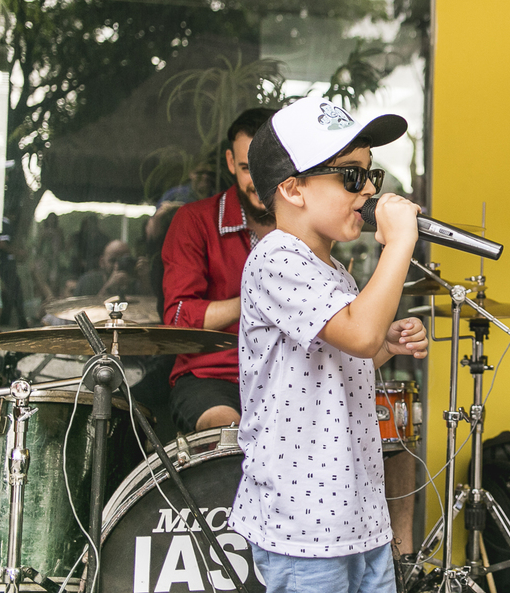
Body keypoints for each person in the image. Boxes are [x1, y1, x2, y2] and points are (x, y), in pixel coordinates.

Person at [230, 96, 427, 592]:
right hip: (304, 524)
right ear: (293, 188)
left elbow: (349, 354)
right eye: (351, 176)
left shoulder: (334, 269)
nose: (369, 190)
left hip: (356, 514)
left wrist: (387, 346)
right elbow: (358, 333)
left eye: (370, 174)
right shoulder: (276, 257)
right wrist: (401, 242)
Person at [162, 107, 277, 434]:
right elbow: (178, 317)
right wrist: (254, 300)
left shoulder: (306, 225)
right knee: (227, 436)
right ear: (230, 162)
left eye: (268, 168)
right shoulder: (194, 220)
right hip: (212, 378)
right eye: (247, 168)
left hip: (289, 377)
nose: (258, 181)